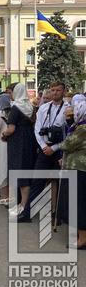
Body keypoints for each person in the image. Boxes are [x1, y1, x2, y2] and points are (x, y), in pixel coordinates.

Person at [29, 82, 69, 222]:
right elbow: (37, 128)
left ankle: (57, 214)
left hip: (59, 150)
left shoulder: (68, 109)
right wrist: (44, 145)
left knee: (59, 182)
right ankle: (28, 211)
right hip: (44, 147)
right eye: (52, 90)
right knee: (37, 180)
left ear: (64, 92)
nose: (55, 93)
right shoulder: (44, 108)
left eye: (58, 90)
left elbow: (69, 134)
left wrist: (54, 148)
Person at [3, 83, 37, 222]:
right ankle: (24, 204)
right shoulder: (30, 107)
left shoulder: (15, 108)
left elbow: (11, 129)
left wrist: (4, 134)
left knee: (20, 173)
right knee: (26, 172)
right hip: (29, 141)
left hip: (18, 143)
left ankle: (23, 206)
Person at [61, 100, 86, 249]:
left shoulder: (82, 128)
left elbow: (67, 144)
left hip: (79, 168)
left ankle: (82, 239)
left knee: (80, 203)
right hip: (78, 168)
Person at [0, 93, 11, 205]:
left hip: (1, 143)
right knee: (8, 169)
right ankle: (10, 196)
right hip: (10, 144)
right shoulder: (12, 113)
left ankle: (5, 196)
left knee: (1, 169)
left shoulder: (0, 113)